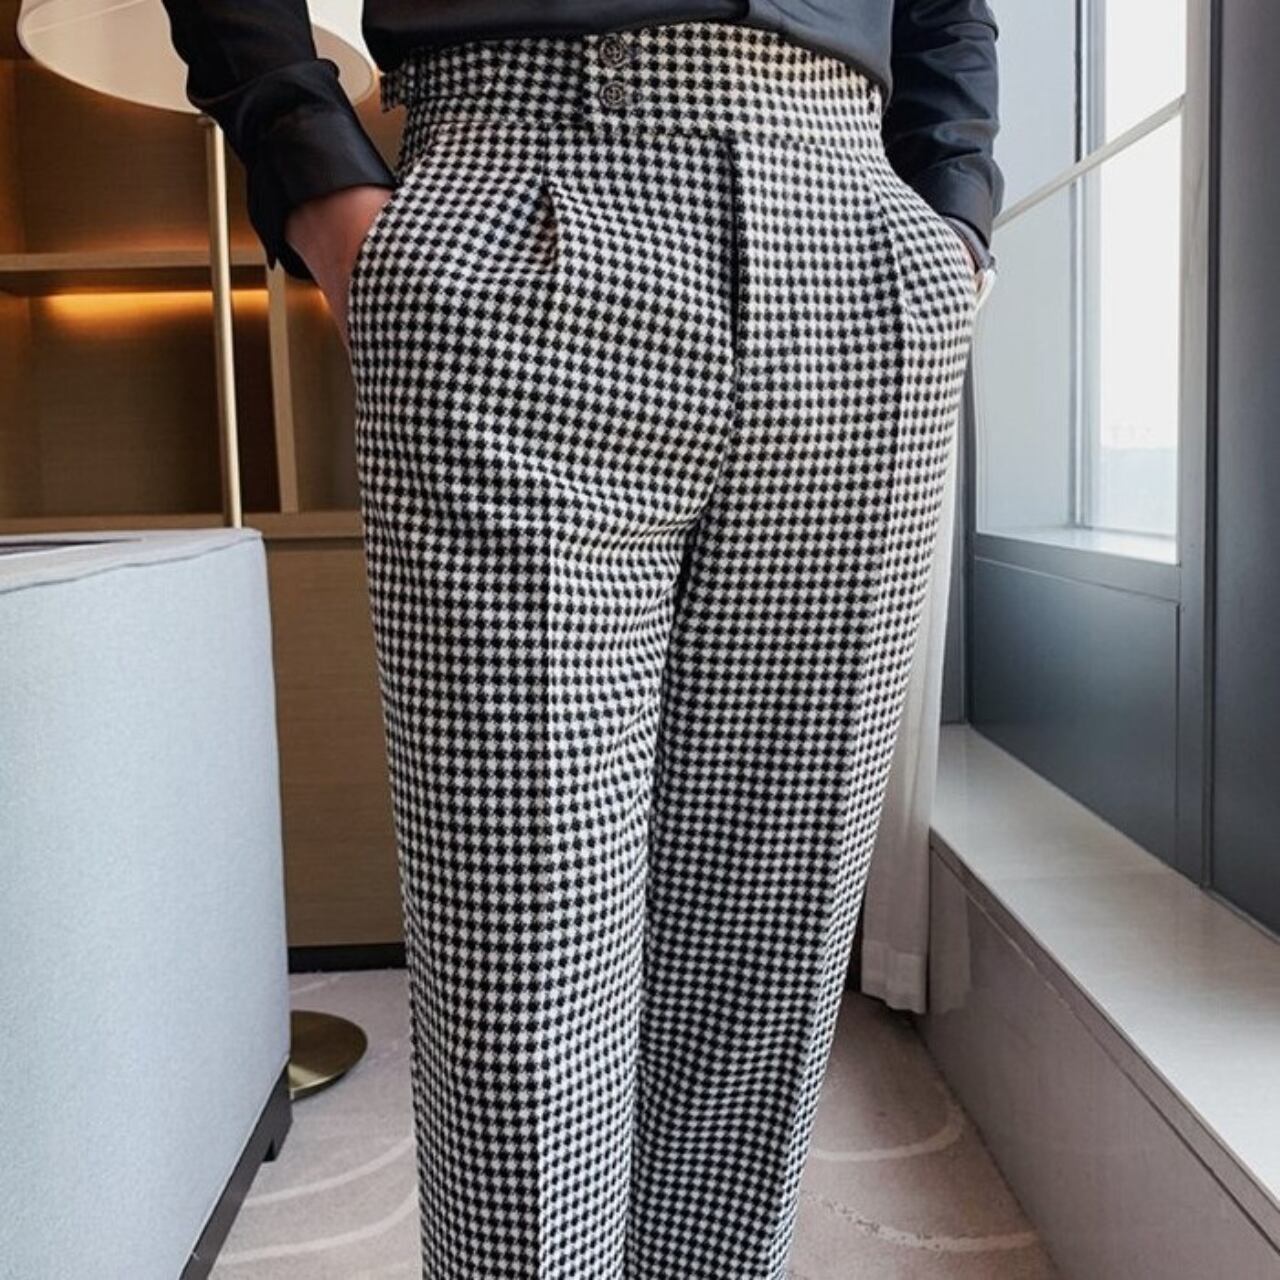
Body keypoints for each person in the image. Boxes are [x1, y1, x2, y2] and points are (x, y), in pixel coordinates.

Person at [160, 4, 1001, 1276]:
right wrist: (314, 174)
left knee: (764, 951)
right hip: (523, 168)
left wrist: (954, 215)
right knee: (523, 969)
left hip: (853, 228)